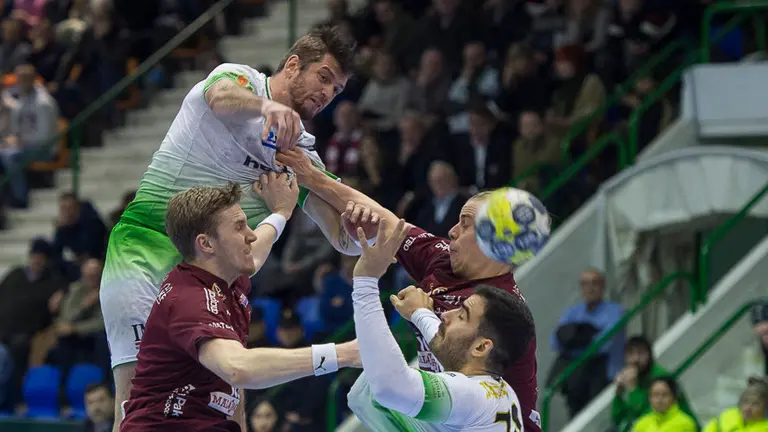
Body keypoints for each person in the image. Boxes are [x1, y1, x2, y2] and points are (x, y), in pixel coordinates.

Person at [100, 24, 360, 428]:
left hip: (212, 282)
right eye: (323, 78)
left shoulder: (299, 153)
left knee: (227, 406)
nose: (327, 93)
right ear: (293, 66)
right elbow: (218, 97)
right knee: (134, 401)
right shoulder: (239, 80)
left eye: (337, 90)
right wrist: (266, 107)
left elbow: (346, 239)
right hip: (144, 252)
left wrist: (357, 213)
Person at [276, 148, 543, 431]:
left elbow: (448, 357)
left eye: (465, 225)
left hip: (476, 417)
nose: (452, 230)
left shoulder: (496, 308)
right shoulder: (443, 259)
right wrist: (310, 178)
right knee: (367, 391)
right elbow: (387, 222)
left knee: (385, 387)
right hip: (456, 410)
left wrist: (372, 282)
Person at [120, 181, 359, 431]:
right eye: (239, 227)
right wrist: (345, 354)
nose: (251, 234)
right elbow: (239, 368)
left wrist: (281, 213)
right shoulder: (190, 300)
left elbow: (256, 252)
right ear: (207, 244)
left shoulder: (225, 278)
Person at [347, 218, 534, 431]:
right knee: (369, 389)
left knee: (376, 389)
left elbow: (389, 387)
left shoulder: (469, 395)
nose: (446, 315)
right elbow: (446, 340)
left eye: (462, 315)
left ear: (482, 347)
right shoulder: (497, 389)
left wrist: (366, 281)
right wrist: (419, 313)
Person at [630, 377, 697, 432]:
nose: (659, 400)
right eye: (655, 395)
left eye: (665, 395)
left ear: (674, 398)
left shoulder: (686, 424)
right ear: (649, 398)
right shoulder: (641, 423)